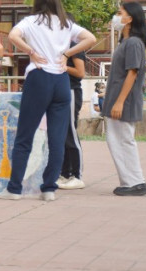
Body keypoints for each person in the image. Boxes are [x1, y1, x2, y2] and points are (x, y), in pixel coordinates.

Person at [0, 0, 96, 201]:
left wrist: (31, 51)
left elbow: (13, 36)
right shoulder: (66, 23)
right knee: (57, 138)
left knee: (25, 136)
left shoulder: (31, 21)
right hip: (61, 81)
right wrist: (67, 54)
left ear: (38, 1)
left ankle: (14, 189)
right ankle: (49, 188)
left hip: (39, 77)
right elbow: (91, 38)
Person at [102, 1, 146, 197]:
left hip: (124, 100)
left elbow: (132, 73)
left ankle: (135, 181)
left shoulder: (133, 43)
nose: (116, 17)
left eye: (119, 13)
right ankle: (129, 181)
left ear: (129, 18)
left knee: (123, 140)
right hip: (117, 99)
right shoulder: (126, 42)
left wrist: (120, 101)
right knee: (118, 140)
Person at [58, 41, 86, 190]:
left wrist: (63, 66)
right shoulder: (57, 43)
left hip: (71, 90)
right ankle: (64, 173)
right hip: (59, 90)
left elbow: (80, 73)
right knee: (61, 135)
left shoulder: (73, 45)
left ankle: (77, 175)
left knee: (70, 133)